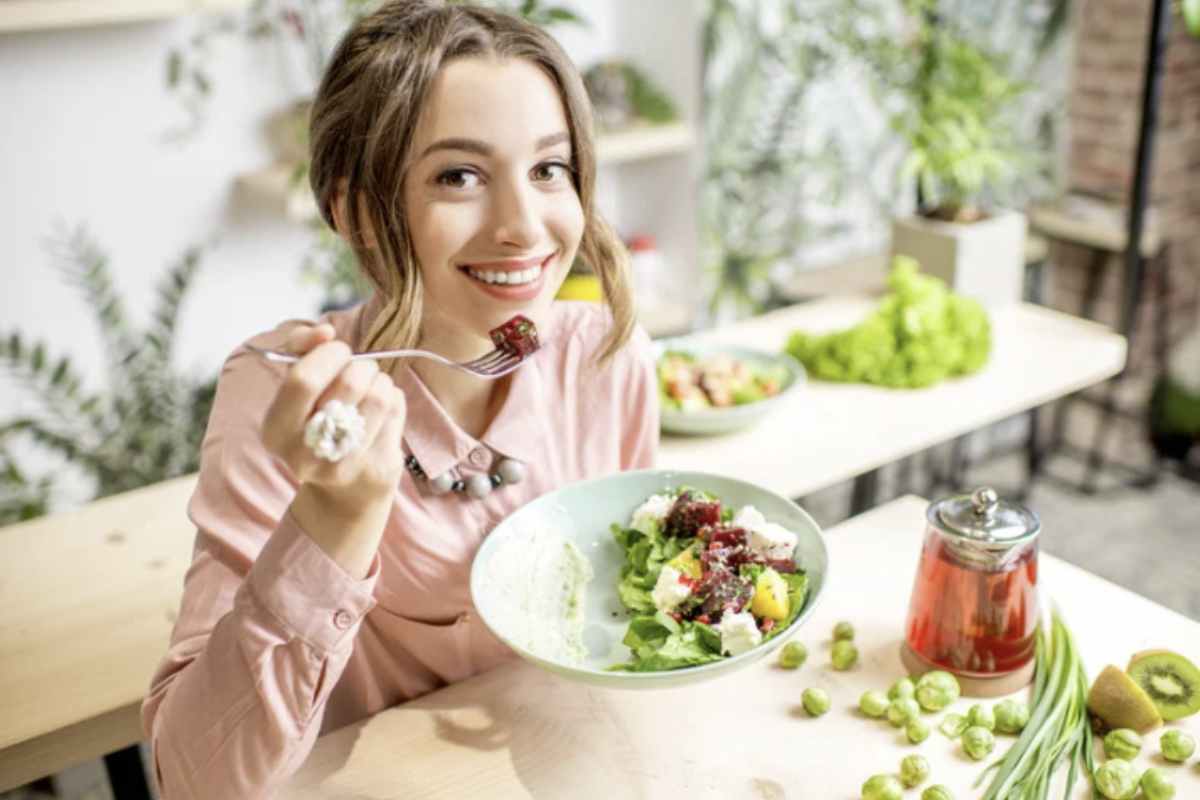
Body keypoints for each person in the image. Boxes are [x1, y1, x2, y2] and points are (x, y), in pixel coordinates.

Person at [140, 2, 659, 796]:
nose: (525, 227)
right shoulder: (283, 393)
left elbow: (625, 620)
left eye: (549, 169)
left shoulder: (605, 357)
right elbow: (190, 780)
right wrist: (333, 522)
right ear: (354, 214)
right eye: (459, 176)